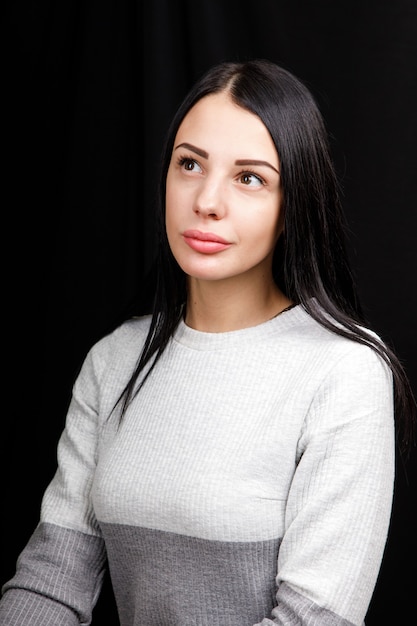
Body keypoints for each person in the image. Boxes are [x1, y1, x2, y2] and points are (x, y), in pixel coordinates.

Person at [0, 58, 415, 626]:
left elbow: (314, 618)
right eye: (190, 164)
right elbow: (51, 582)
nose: (207, 200)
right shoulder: (114, 360)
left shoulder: (343, 371)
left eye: (250, 178)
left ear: (293, 206)